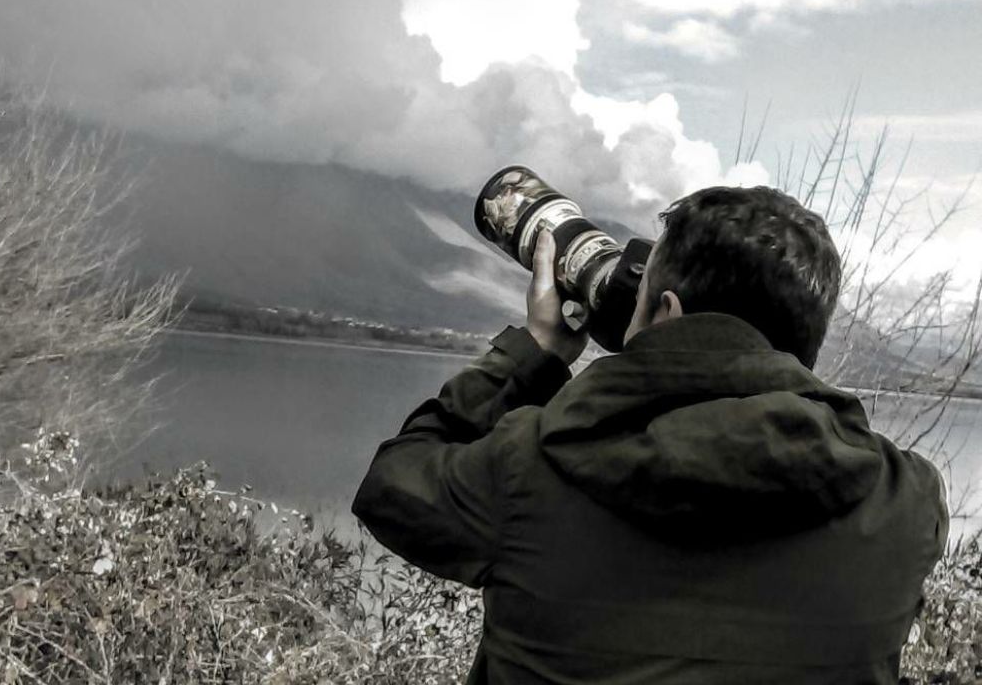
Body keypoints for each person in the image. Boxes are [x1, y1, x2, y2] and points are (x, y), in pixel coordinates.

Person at [351, 186, 949, 683]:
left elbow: (391, 485)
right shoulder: (905, 501)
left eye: (635, 301)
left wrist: (535, 354)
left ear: (666, 312)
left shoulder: (530, 466)